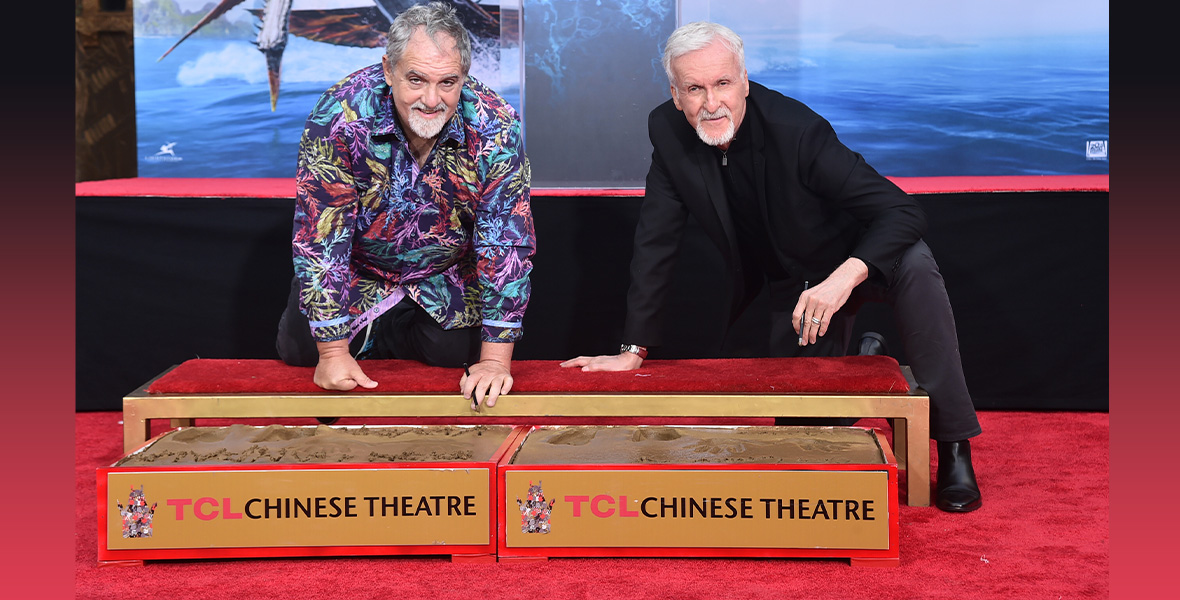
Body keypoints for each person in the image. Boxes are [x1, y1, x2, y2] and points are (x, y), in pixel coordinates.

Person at [560, 22, 982, 513]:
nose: (711, 102)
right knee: (805, 438)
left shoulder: (797, 130)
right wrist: (633, 349)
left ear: (744, 80)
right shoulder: (668, 130)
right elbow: (655, 241)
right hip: (796, 283)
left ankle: (954, 445)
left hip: (859, 258)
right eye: (694, 89)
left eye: (722, 84)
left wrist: (847, 275)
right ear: (676, 96)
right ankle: (867, 363)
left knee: (916, 264)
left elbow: (903, 211)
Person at [276, 2, 534, 410]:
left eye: (448, 82)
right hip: (359, 267)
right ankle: (363, 331)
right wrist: (331, 352)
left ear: (464, 77)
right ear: (387, 70)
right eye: (416, 80)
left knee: (454, 357)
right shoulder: (337, 117)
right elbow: (322, 234)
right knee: (301, 351)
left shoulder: (496, 125)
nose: (431, 100)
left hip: (442, 272)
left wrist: (495, 361)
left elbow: (505, 242)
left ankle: (385, 333)